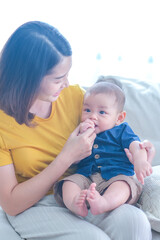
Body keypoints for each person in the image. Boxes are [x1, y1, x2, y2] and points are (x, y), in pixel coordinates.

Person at [0, 21, 155, 240]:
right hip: (34, 205)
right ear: (28, 78)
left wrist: (140, 152)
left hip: (86, 190)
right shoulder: (2, 125)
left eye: (67, 74)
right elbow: (11, 203)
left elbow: (114, 130)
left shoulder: (74, 97)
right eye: (57, 79)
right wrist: (66, 157)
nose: (66, 83)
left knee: (134, 221)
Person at [54, 81, 153, 217]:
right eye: (87, 110)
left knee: (124, 185)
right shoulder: (81, 134)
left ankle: (104, 203)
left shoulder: (121, 130)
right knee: (69, 183)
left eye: (102, 112)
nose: (92, 116)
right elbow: (73, 159)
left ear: (119, 118)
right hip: (86, 177)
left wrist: (140, 161)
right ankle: (75, 203)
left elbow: (137, 146)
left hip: (116, 175)